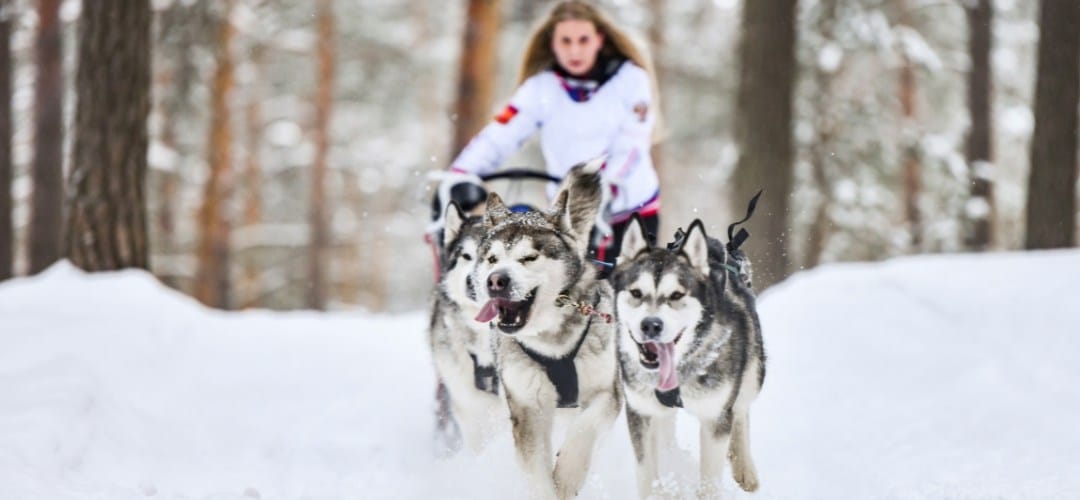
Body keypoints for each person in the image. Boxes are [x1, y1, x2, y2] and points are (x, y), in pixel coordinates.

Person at [433, 0, 662, 267]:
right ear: (552, 43)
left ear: (599, 40)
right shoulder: (540, 88)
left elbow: (632, 146)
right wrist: (461, 174)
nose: (574, 50)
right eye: (565, 41)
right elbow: (500, 135)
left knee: (626, 295)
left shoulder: (631, 80)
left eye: (583, 40)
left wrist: (601, 188)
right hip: (569, 214)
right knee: (573, 298)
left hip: (631, 208)